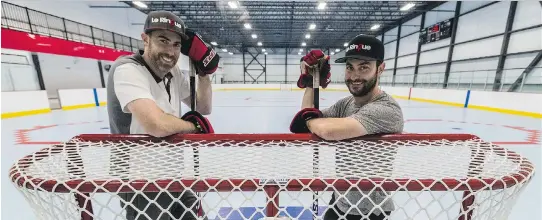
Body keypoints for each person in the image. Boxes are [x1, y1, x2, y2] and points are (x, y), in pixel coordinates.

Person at [106, 10, 219, 220]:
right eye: (163, 41)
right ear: (145, 39)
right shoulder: (127, 69)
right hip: (140, 181)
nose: (170, 51)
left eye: (176, 45)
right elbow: (156, 125)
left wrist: (204, 74)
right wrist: (193, 126)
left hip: (171, 173)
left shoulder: (173, 72)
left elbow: (203, 107)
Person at [289, 34, 404, 220]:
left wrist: (308, 119)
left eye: (364, 67)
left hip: (368, 210)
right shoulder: (346, 104)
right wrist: (311, 81)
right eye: (350, 68)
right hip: (341, 198)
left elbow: (327, 130)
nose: (355, 76)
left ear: (380, 69)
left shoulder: (387, 109)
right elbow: (309, 115)